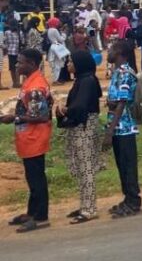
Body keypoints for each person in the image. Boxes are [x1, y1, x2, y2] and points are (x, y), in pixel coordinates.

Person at [1, 49, 53, 232]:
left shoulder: (35, 86)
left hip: (35, 138)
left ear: (31, 64)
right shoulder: (30, 81)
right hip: (28, 137)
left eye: (20, 62)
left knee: (36, 178)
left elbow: (40, 116)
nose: (17, 65)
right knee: (32, 177)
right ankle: (32, 212)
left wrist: (13, 118)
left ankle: (40, 216)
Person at [55, 50, 101, 224]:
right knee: (82, 168)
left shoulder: (87, 81)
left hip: (85, 127)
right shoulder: (82, 80)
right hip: (80, 126)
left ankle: (89, 209)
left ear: (80, 63)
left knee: (86, 168)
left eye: (71, 61)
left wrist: (64, 110)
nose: (68, 65)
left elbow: (80, 106)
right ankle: (84, 204)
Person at [104, 40, 142, 217]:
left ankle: (133, 201)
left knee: (128, 165)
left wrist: (110, 131)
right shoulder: (116, 72)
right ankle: (128, 198)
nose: (108, 52)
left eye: (112, 49)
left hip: (124, 127)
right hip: (118, 125)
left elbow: (121, 103)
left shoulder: (125, 73)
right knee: (122, 165)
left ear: (121, 54)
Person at [46, 18, 67, 83]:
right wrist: (64, 34)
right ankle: (56, 79)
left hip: (54, 46)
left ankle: (56, 79)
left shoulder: (49, 29)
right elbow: (61, 40)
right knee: (58, 64)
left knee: (56, 64)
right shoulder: (54, 30)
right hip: (58, 46)